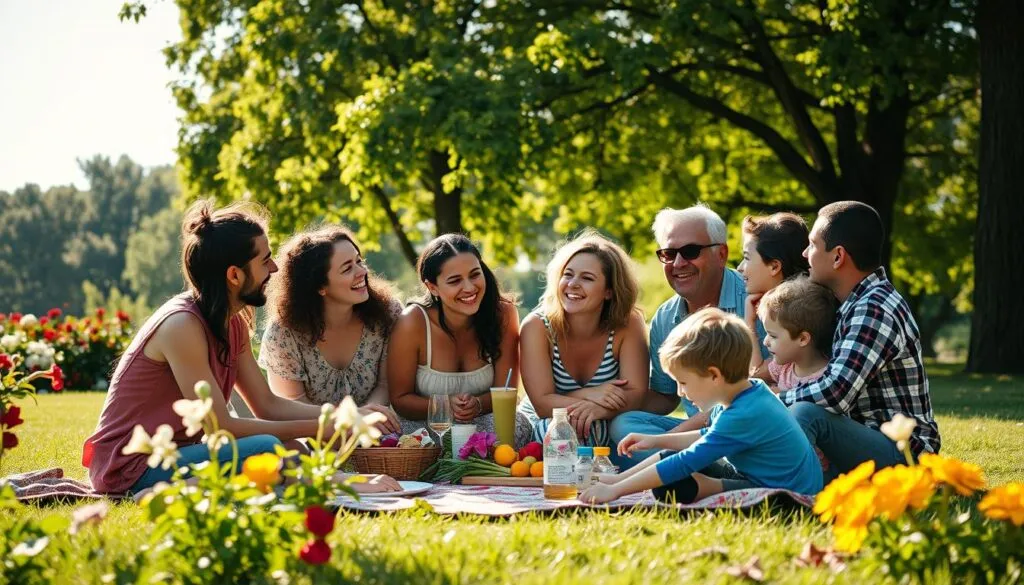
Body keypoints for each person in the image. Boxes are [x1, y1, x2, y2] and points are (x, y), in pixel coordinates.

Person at [83, 200, 398, 495]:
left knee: (292, 448)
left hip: (179, 453)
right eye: (264, 260)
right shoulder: (182, 326)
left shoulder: (232, 322)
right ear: (234, 275)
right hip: (131, 466)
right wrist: (327, 427)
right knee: (266, 446)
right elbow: (222, 427)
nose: (274, 269)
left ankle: (344, 484)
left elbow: (267, 404)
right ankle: (169, 492)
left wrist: (346, 416)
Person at [580, 308, 822, 505]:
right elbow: (707, 436)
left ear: (714, 375)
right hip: (757, 477)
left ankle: (700, 488)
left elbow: (689, 458)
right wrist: (655, 440)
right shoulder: (747, 391)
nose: (680, 392)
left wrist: (618, 492)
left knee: (674, 479)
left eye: (683, 382)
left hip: (785, 495)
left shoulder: (745, 412)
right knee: (670, 463)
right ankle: (618, 479)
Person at [782, 201, 941, 481]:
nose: (805, 254)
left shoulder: (874, 308)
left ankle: (789, 492)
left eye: (812, 245)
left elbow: (835, 393)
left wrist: (771, 399)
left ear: (837, 257)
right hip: (868, 442)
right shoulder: (855, 303)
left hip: (905, 456)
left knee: (806, 413)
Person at [608, 204, 769, 468]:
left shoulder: (756, 301)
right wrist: (601, 399)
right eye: (669, 254)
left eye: (691, 251)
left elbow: (774, 389)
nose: (679, 263)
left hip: (749, 428)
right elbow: (666, 395)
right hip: (701, 435)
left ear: (722, 253)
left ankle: (685, 466)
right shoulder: (665, 317)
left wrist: (667, 439)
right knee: (625, 425)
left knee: (638, 446)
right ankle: (702, 466)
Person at [387, 234, 532, 447]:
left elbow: (506, 392)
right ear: (432, 287)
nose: (469, 288)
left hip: (480, 424)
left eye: (475, 275)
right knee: (401, 434)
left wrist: (478, 404)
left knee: (518, 425)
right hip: (427, 427)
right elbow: (400, 400)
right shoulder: (413, 321)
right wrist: (444, 405)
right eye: (455, 281)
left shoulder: (503, 314)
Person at [258, 225, 401, 434]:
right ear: (319, 287)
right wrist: (351, 422)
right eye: (347, 268)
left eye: (359, 261)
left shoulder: (388, 313)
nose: (362, 272)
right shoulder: (283, 335)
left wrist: (364, 424)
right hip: (313, 440)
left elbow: (386, 385)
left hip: (377, 431)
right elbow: (293, 407)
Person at [518, 230, 649, 446]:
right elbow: (542, 403)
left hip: (600, 418)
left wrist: (598, 408)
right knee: (563, 434)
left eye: (587, 278)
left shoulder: (629, 323)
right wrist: (590, 393)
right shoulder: (537, 326)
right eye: (567, 274)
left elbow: (636, 393)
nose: (573, 284)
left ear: (609, 291)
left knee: (603, 431)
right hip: (543, 420)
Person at [735, 213, 810, 378]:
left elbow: (756, 374)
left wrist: (749, 323)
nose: (740, 267)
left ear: (774, 266)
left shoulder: (799, 308)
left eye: (747, 257)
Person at [757, 277, 838, 391]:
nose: (765, 342)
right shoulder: (783, 367)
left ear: (803, 339)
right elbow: (754, 376)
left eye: (773, 336)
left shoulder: (824, 379)